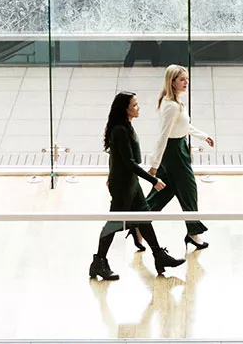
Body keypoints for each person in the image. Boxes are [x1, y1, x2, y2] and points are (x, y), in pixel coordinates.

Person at [89, 91, 185, 281]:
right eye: (134, 105)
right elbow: (128, 162)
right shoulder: (120, 130)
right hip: (123, 185)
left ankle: (159, 256)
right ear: (125, 109)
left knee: (144, 217)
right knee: (113, 224)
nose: (138, 107)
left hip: (131, 182)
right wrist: (153, 180)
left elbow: (115, 156)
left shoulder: (126, 126)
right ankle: (98, 262)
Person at [141, 65, 214, 251]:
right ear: (172, 82)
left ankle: (139, 222)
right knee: (189, 191)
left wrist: (203, 136)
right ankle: (193, 234)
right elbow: (163, 135)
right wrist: (154, 165)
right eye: (182, 79)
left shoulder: (174, 103)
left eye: (186, 79)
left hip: (178, 147)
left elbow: (183, 127)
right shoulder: (172, 106)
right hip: (174, 153)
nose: (186, 82)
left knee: (164, 191)